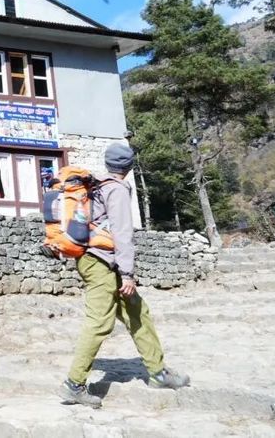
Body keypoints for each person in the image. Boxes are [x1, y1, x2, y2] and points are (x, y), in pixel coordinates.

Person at [58, 142, 190, 408]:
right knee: (99, 322)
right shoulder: (116, 189)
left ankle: (158, 372)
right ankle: (74, 384)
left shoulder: (98, 186)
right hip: (100, 263)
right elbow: (122, 233)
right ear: (129, 167)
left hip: (101, 261)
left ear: (108, 164)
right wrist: (127, 274)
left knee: (137, 312)